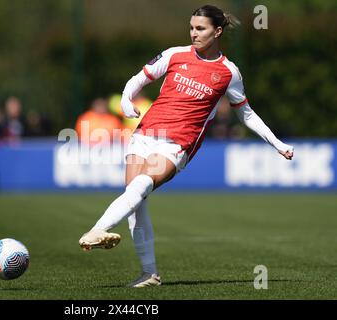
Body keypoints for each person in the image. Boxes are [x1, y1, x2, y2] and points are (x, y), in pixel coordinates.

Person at [78, 5, 294, 288]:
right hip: (144, 134)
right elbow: (139, 78)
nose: (194, 33)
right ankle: (149, 274)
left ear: (217, 32)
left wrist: (276, 143)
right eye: (191, 28)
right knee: (136, 202)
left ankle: (98, 229)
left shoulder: (229, 73)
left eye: (200, 29)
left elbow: (246, 113)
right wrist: (126, 99)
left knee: (141, 185)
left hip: (177, 143)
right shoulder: (174, 54)